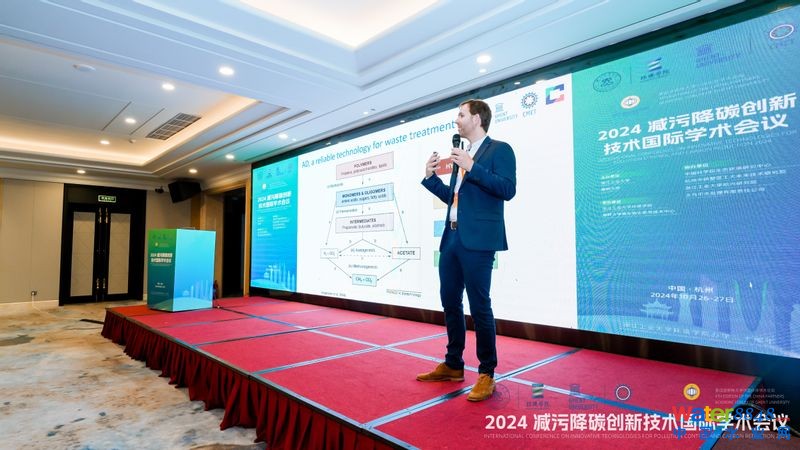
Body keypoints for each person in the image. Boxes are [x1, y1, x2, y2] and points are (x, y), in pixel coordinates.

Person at [417, 99, 516, 401]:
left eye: (460, 115)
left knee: (479, 306)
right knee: (450, 302)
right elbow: (454, 198)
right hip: (452, 238)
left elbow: (507, 189)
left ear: (477, 119)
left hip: (479, 241)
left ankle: (487, 373)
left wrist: (472, 167)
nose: (456, 120)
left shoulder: (499, 150)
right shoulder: (463, 154)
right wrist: (431, 178)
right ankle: (453, 364)